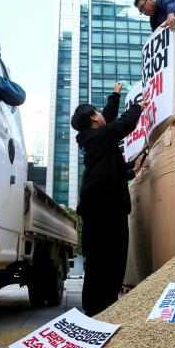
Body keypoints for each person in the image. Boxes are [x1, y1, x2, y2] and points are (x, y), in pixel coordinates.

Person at [71, 82, 146, 317]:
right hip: (106, 211)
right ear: (94, 119)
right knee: (111, 260)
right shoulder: (99, 137)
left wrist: (115, 95)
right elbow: (121, 125)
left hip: (99, 210)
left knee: (99, 260)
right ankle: (101, 309)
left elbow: (108, 119)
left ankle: (97, 308)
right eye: (98, 113)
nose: (102, 116)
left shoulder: (93, 139)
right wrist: (138, 106)